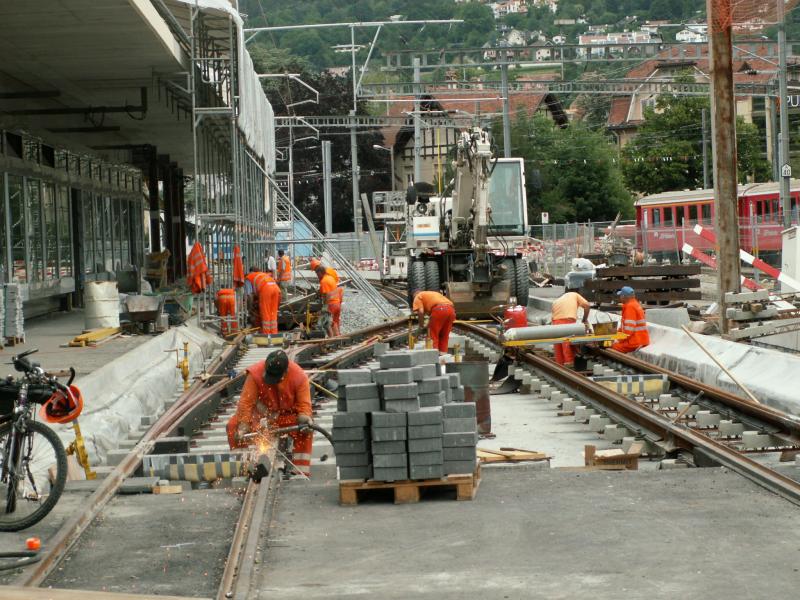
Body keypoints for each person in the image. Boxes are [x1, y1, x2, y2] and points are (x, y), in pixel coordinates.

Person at [226, 350, 313, 477]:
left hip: (286, 418)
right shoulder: (255, 374)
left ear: (285, 372)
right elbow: (246, 403)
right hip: (262, 417)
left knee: (305, 429)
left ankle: (300, 472)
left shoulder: (299, 377)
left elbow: (304, 406)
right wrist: (243, 427)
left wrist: (305, 419)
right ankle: (244, 469)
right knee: (233, 426)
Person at [550, 291, 592, 367]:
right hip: (567, 320)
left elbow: (552, 318)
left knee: (558, 345)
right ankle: (570, 364)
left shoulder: (556, 301)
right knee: (567, 344)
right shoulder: (574, 294)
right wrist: (584, 320)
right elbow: (587, 306)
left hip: (555, 322)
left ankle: (560, 366)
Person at [412, 290, 456, 354]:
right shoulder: (432, 294)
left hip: (439, 309)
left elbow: (420, 312)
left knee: (433, 334)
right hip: (451, 310)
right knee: (444, 334)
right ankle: (443, 355)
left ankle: (434, 355)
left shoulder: (418, 296)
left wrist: (421, 325)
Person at [611, 286, 650, 354]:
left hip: (634, 342)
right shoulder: (635, 304)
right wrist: (615, 336)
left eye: (620, 296)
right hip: (640, 340)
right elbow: (624, 328)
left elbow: (628, 331)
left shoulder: (630, 307)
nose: (620, 298)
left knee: (609, 346)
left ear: (623, 296)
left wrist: (618, 340)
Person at [315, 264, 342, 337]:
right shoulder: (330, 278)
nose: (317, 276)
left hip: (331, 304)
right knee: (334, 322)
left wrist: (325, 306)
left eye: (317, 274)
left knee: (326, 323)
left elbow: (327, 294)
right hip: (337, 303)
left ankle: (331, 339)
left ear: (320, 272)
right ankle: (337, 337)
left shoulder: (324, 281)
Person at [256, 269, 281, 335]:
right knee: (273, 312)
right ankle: (274, 333)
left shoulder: (248, 278)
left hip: (266, 290)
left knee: (266, 312)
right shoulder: (264, 276)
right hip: (276, 289)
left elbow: (249, 295)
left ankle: (267, 334)